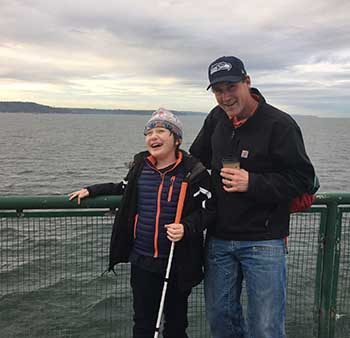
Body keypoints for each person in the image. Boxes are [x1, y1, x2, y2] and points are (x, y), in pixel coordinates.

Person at [189, 56, 319, 338]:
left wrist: (253, 182)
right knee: (221, 322)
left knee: (266, 327)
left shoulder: (280, 125)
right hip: (219, 239)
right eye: (218, 90)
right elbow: (194, 161)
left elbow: (303, 179)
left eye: (231, 86)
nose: (225, 96)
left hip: (265, 241)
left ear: (247, 83)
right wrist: (148, 172)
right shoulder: (215, 119)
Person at [69, 108, 214, 338]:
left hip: (177, 263)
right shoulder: (140, 168)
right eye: (148, 132)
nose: (153, 137)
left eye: (161, 131)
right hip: (143, 261)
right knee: (143, 324)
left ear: (177, 139)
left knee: (176, 325)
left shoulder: (193, 173)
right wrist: (92, 190)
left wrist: (187, 227)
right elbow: (123, 188)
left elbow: (209, 210)